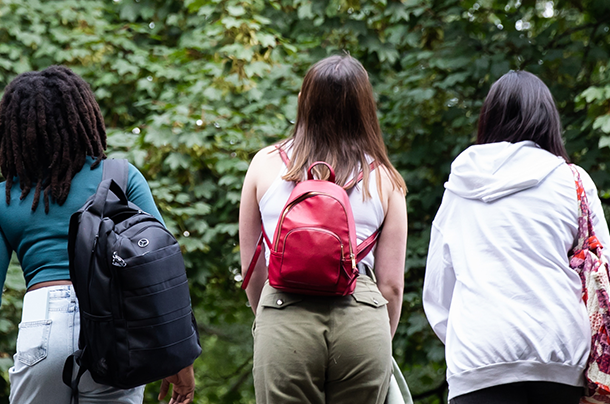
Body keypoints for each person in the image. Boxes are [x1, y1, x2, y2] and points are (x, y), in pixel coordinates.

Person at [0, 65, 195, 404]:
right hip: (115, 328)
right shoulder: (122, 177)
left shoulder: (2, 200)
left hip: (43, 327)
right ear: (82, 118)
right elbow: (160, 271)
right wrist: (179, 355)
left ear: (12, 131)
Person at [423, 70, 610, 404]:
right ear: (548, 121)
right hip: (560, 356)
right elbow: (604, 267)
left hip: (478, 361)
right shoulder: (574, 182)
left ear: (488, 119)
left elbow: (438, 291)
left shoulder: (459, 188)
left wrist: (473, 339)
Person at [239, 54, 408, 404]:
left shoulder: (264, 164)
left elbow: (250, 269)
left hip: (284, 310)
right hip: (360, 316)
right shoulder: (385, 179)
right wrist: (378, 334)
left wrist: (272, 314)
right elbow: (391, 285)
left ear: (303, 102)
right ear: (365, 108)